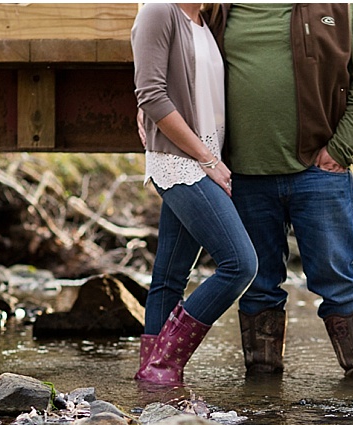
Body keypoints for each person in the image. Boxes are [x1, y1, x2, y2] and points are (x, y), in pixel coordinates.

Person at [207, 3, 353, 380]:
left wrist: (342, 149)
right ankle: (261, 397)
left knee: (338, 283)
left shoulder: (342, 7)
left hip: (317, 171)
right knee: (257, 287)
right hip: (243, 175)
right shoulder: (217, 9)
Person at [130, 3, 258, 386]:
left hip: (205, 156)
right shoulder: (158, 10)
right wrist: (206, 159)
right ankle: (163, 367)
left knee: (169, 276)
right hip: (183, 161)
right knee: (240, 264)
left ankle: (151, 380)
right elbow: (150, 94)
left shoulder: (207, 20)